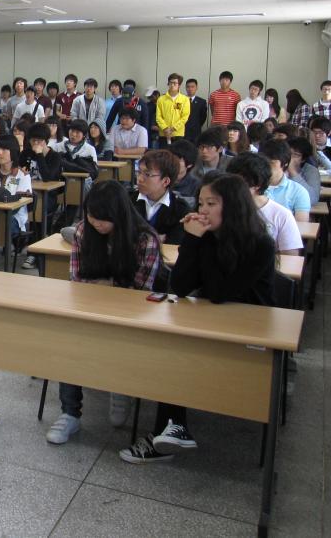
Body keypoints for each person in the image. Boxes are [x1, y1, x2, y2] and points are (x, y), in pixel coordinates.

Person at [119, 172, 275, 463]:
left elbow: (218, 293)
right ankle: (172, 428)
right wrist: (192, 241)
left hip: (252, 333)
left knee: (179, 352)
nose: (203, 210)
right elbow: (179, 286)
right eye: (201, 203)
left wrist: (200, 241)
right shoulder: (205, 237)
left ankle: (170, 428)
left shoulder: (260, 243)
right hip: (211, 321)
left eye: (211, 204)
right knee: (169, 345)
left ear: (233, 207)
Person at [47, 180, 163, 445]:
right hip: (88, 308)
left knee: (118, 338)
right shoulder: (83, 231)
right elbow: (76, 280)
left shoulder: (146, 240)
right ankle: (70, 413)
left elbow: (139, 292)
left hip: (131, 315)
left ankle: (119, 386)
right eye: (91, 215)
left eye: (102, 218)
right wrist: (111, 285)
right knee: (69, 339)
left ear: (118, 214)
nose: (95, 222)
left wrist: (103, 285)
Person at [227, 153, 302, 255]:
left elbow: (291, 257)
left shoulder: (282, 215)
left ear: (257, 184)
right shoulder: (223, 209)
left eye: (237, 182)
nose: (231, 187)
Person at [0, 134, 31, 259]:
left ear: (13, 152)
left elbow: (20, 204)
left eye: (4, 149)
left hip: (14, 218)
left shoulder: (22, 175)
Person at [133, 150, 190, 243]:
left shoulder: (180, 209)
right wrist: (158, 238)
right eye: (139, 172)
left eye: (147, 174)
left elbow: (175, 241)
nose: (139, 179)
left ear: (165, 181)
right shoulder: (128, 199)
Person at [259, 138, 311, 222]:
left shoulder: (298, 191)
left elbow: (301, 226)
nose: (266, 166)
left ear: (285, 163)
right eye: (263, 162)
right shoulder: (251, 188)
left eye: (272, 163)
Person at [155, 73, 190, 147]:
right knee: (164, 153)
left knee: (177, 153)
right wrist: (165, 128)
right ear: (168, 84)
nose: (172, 85)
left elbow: (185, 117)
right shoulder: (161, 99)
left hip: (178, 134)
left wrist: (173, 128)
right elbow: (158, 116)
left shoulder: (185, 99)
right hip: (163, 133)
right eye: (170, 83)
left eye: (175, 83)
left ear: (179, 85)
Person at [286, 137, 321, 204]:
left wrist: (293, 172)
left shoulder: (311, 171)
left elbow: (312, 199)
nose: (290, 158)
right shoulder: (277, 167)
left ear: (303, 159)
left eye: (295, 155)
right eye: (288, 153)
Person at [168, 140, 201, 208]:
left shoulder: (196, 186)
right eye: (170, 158)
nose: (172, 162)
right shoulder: (160, 180)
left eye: (178, 160)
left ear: (189, 164)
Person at [183, 78, 209, 143]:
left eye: (192, 87)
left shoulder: (202, 102)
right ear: (185, 88)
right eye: (188, 87)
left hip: (195, 132)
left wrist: (196, 125)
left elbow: (203, 117)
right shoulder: (181, 100)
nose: (190, 89)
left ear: (196, 88)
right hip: (182, 132)